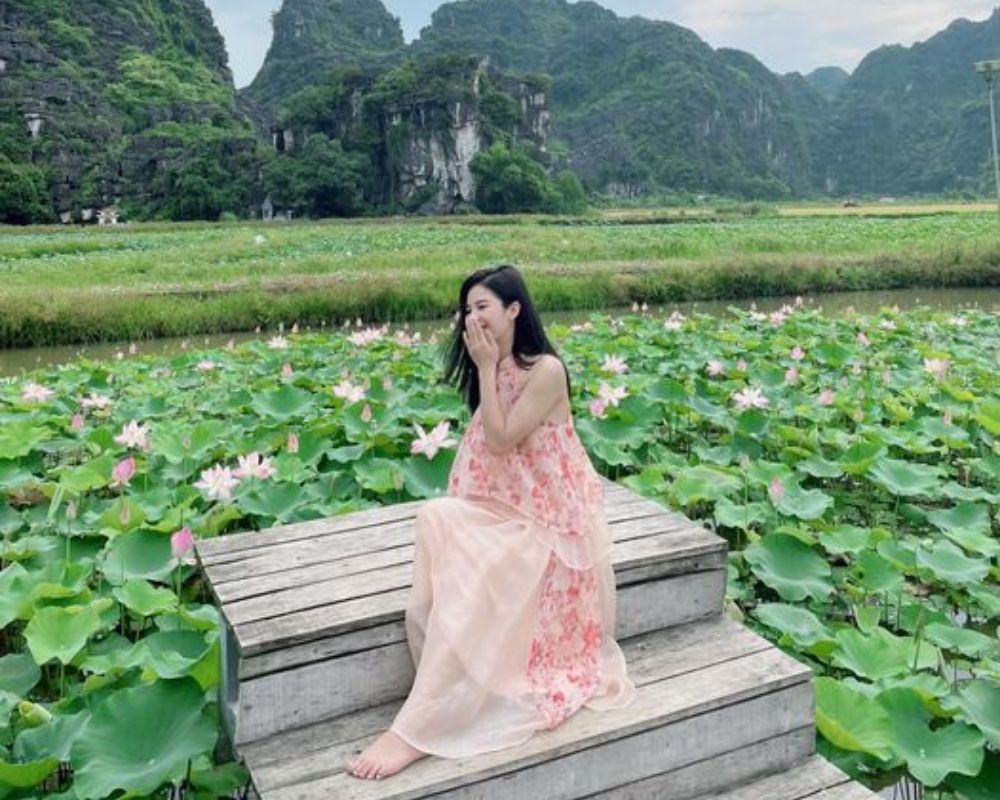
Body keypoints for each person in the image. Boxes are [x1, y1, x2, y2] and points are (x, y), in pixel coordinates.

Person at [346, 265, 636, 781]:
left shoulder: (544, 370)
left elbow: (502, 441)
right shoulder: (495, 365)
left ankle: (416, 731)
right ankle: (442, 693)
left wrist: (482, 368)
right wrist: (484, 366)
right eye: (467, 309)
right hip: (507, 512)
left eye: (482, 307)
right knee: (435, 518)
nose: (471, 317)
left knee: (471, 571)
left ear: (513, 311)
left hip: (549, 527)